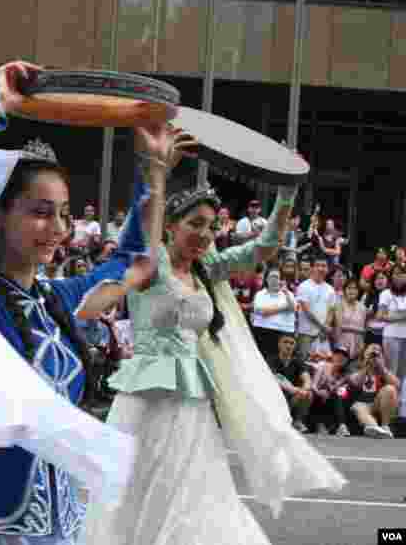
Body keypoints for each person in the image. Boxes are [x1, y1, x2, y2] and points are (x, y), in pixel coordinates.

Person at [0, 61, 171, 545]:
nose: (58, 229)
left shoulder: (59, 301)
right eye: (40, 212)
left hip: (54, 523)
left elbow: (137, 264)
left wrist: (153, 171)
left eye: (65, 215)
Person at [84, 172, 344, 544]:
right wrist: (156, 171)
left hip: (192, 400)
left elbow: (264, 247)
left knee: (192, 490)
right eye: (195, 224)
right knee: (139, 489)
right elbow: (135, 234)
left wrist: (286, 196)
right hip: (145, 398)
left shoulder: (207, 268)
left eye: (211, 226)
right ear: (170, 226)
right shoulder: (150, 264)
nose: (205, 234)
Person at [345, 343, 400, 438]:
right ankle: (374, 427)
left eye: (377, 354)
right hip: (361, 403)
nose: (374, 357)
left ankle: (385, 426)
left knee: (390, 389)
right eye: (371, 353)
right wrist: (366, 367)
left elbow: (397, 384)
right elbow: (355, 382)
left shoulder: (384, 369)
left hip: (377, 403)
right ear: (365, 354)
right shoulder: (356, 365)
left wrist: (382, 368)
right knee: (359, 407)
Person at [377, 264, 406, 420]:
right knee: (391, 373)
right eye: (396, 274)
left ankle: (402, 413)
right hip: (391, 335)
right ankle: (389, 413)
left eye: (402, 274)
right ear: (391, 276)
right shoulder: (386, 293)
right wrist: (400, 318)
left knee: (403, 375)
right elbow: (380, 316)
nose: (399, 276)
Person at [269, 334, 314, 433]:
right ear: (279, 344)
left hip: (292, 397)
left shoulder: (298, 362)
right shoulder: (272, 360)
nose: (288, 345)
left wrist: (305, 389)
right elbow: (276, 378)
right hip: (276, 395)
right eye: (285, 342)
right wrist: (295, 390)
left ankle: (297, 422)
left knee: (308, 394)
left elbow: (307, 378)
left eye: (292, 343)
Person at [252, 268, 298, 361]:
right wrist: (284, 307)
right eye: (272, 277)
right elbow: (263, 312)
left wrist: (285, 293)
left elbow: (293, 308)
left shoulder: (288, 294)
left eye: (277, 277)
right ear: (266, 279)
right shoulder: (260, 294)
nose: (274, 280)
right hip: (263, 331)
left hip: (284, 333)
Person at [295, 257, 335, 361]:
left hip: (322, 335)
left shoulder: (330, 289)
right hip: (306, 333)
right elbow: (306, 311)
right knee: (304, 363)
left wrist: (325, 328)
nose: (321, 268)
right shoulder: (303, 286)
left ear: (328, 269)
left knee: (322, 365)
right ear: (312, 268)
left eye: (324, 266)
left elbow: (331, 311)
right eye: (318, 265)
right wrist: (323, 327)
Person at [309, 346, 352, 437]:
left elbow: (344, 392)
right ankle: (320, 425)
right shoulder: (323, 366)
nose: (340, 357)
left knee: (341, 393)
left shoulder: (347, 374)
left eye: (343, 356)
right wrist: (319, 392)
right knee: (316, 394)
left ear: (347, 360)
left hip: (334, 399)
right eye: (337, 354)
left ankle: (341, 426)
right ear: (332, 356)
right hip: (319, 398)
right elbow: (313, 385)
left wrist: (334, 388)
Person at [328, 278, 367, 361]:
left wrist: (362, 346)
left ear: (358, 291)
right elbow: (338, 326)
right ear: (344, 290)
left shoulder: (362, 307)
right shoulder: (338, 305)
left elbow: (364, 329)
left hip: (358, 344)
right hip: (341, 344)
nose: (352, 291)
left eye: (354, 288)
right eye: (349, 288)